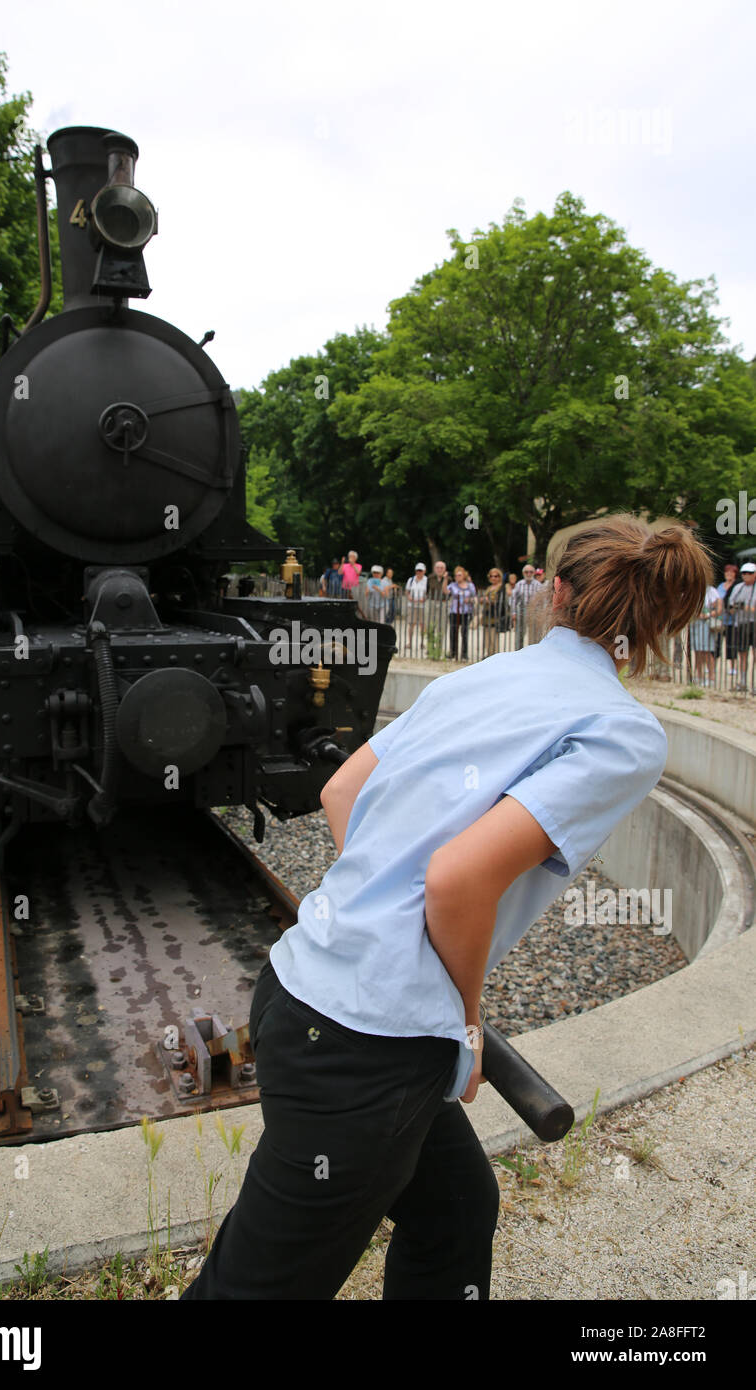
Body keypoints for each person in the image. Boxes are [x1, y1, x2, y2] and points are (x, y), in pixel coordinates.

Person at [180, 513, 711, 1302]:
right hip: (369, 1048)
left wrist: (376, 901)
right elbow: (458, 881)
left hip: (301, 994)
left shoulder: (475, 678)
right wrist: (463, 1019)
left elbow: (341, 791)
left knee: (457, 1208)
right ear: (667, 620)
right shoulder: (620, 731)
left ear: (554, 592)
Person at [727, 562, 756, 692]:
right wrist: (734, 608)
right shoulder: (738, 587)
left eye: (749, 573)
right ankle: (743, 682)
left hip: (754, 623)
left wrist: (746, 607)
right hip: (741, 623)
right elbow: (730, 606)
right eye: (744, 573)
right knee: (742, 654)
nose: (746, 575)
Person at [688, 582, 722, 686]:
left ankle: (711, 677)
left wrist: (706, 614)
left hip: (706, 624)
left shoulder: (711, 591)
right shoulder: (692, 589)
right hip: (695, 623)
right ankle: (699, 676)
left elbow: (719, 609)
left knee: (706, 651)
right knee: (697, 651)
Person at [509, 564, 544, 650]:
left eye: (531, 572)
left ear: (534, 573)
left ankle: (532, 652)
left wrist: (541, 613)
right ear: (523, 573)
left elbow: (542, 600)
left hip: (534, 611)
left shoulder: (538, 585)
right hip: (521, 611)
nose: (528, 574)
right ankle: (518, 652)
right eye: (526, 572)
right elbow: (513, 600)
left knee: (534, 634)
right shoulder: (519, 584)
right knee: (519, 634)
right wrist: (513, 612)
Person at [447, 566, 476, 661]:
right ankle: (452, 652)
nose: (457, 577)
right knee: (453, 632)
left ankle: (464, 653)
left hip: (466, 611)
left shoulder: (470, 585)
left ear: (463, 575)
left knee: (464, 633)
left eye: (459, 575)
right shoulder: (452, 585)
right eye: (456, 575)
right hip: (454, 611)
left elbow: (474, 598)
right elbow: (445, 592)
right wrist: (445, 580)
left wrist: (470, 600)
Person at [480, 567, 508, 658]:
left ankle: (494, 656)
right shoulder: (489, 587)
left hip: (495, 614)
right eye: (491, 576)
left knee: (493, 638)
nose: (493, 578)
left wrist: (489, 600)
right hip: (486, 614)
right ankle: (488, 654)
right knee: (486, 637)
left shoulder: (502, 587)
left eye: (496, 576)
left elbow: (501, 601)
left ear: (499, 577)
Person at [404, 562, 428, 656]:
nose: (419, 572)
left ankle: (422, 643)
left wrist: (424, 598)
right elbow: (407, 591)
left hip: (422, 605)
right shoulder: (411, 580)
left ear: (424, 571)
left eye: (421, 570)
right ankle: (409, 643)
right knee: (411, 624)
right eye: (418, 570)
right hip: (412, 605)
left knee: (422, 625)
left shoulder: (427, 580)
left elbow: (429, 592)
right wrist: (409, 597)